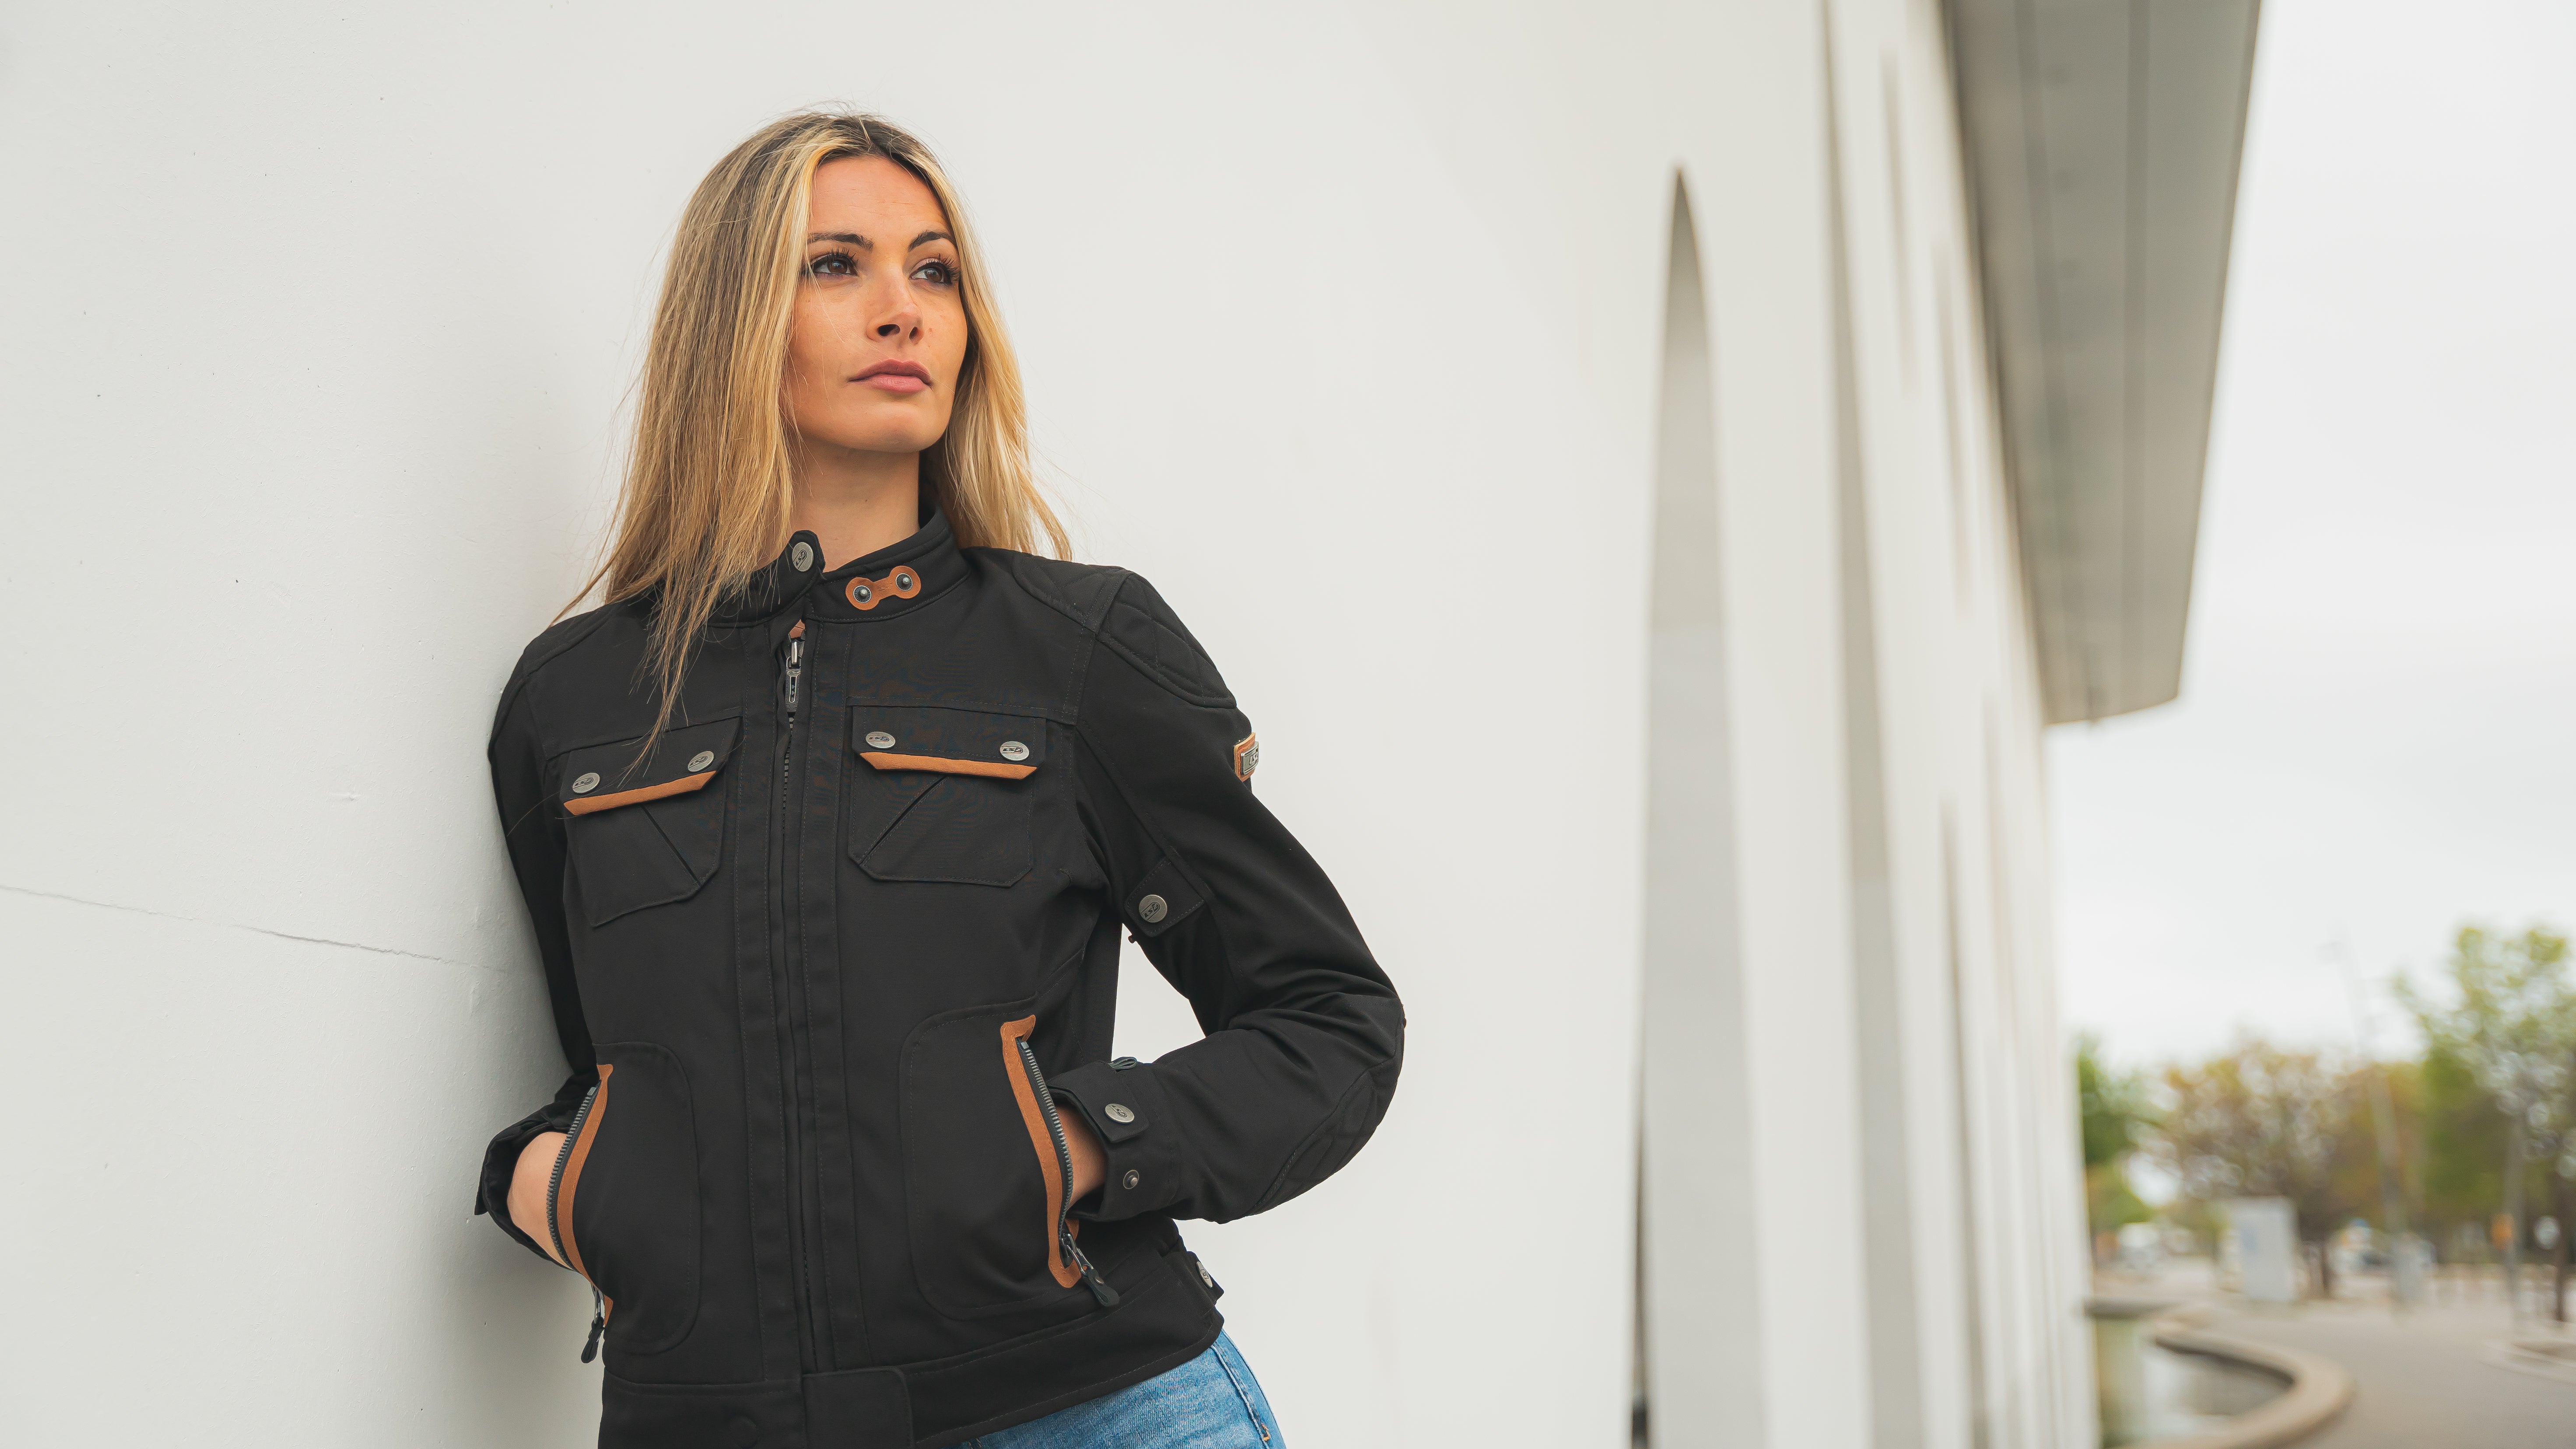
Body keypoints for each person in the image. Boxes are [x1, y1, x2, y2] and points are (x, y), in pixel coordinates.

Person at [473, 111, 1403, 1449]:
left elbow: (1330, 1016)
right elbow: (620, 1060)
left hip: (1087, 1405)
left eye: (936, 271)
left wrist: (1079, 1144)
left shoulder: (1077, 653)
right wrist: (543, 1180)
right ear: (729, 320)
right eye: (835, 265)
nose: (902, 309)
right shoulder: (577, 700)